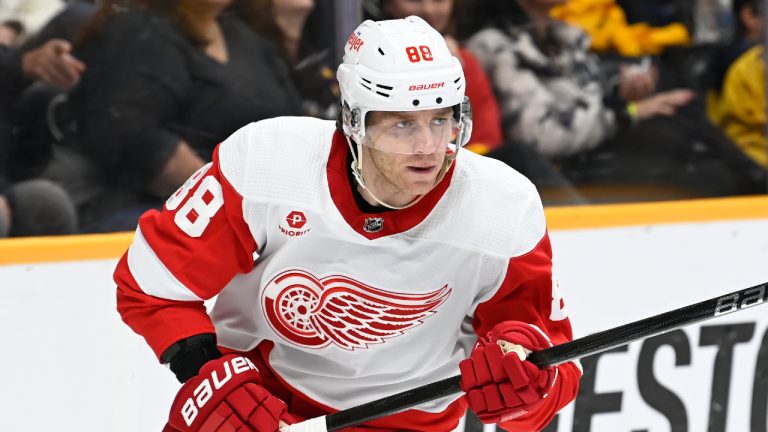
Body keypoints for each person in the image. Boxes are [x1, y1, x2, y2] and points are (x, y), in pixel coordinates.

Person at [114, 16, 581, 432]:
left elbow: (546, 361)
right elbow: (151, 285)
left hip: (411, 422)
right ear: (355, 121)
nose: (427, 146)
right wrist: (206, 371)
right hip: (256, 406)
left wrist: (525, 381)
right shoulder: (268, 161)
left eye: (442, 120)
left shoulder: (502, 205)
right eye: (402, 124)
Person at [58, 0, 303, 231]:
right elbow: (135, 138)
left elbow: (297, 125)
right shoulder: (138, 31)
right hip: (159, 209)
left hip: (258, 208)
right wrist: (234, 202)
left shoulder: (244, 36)